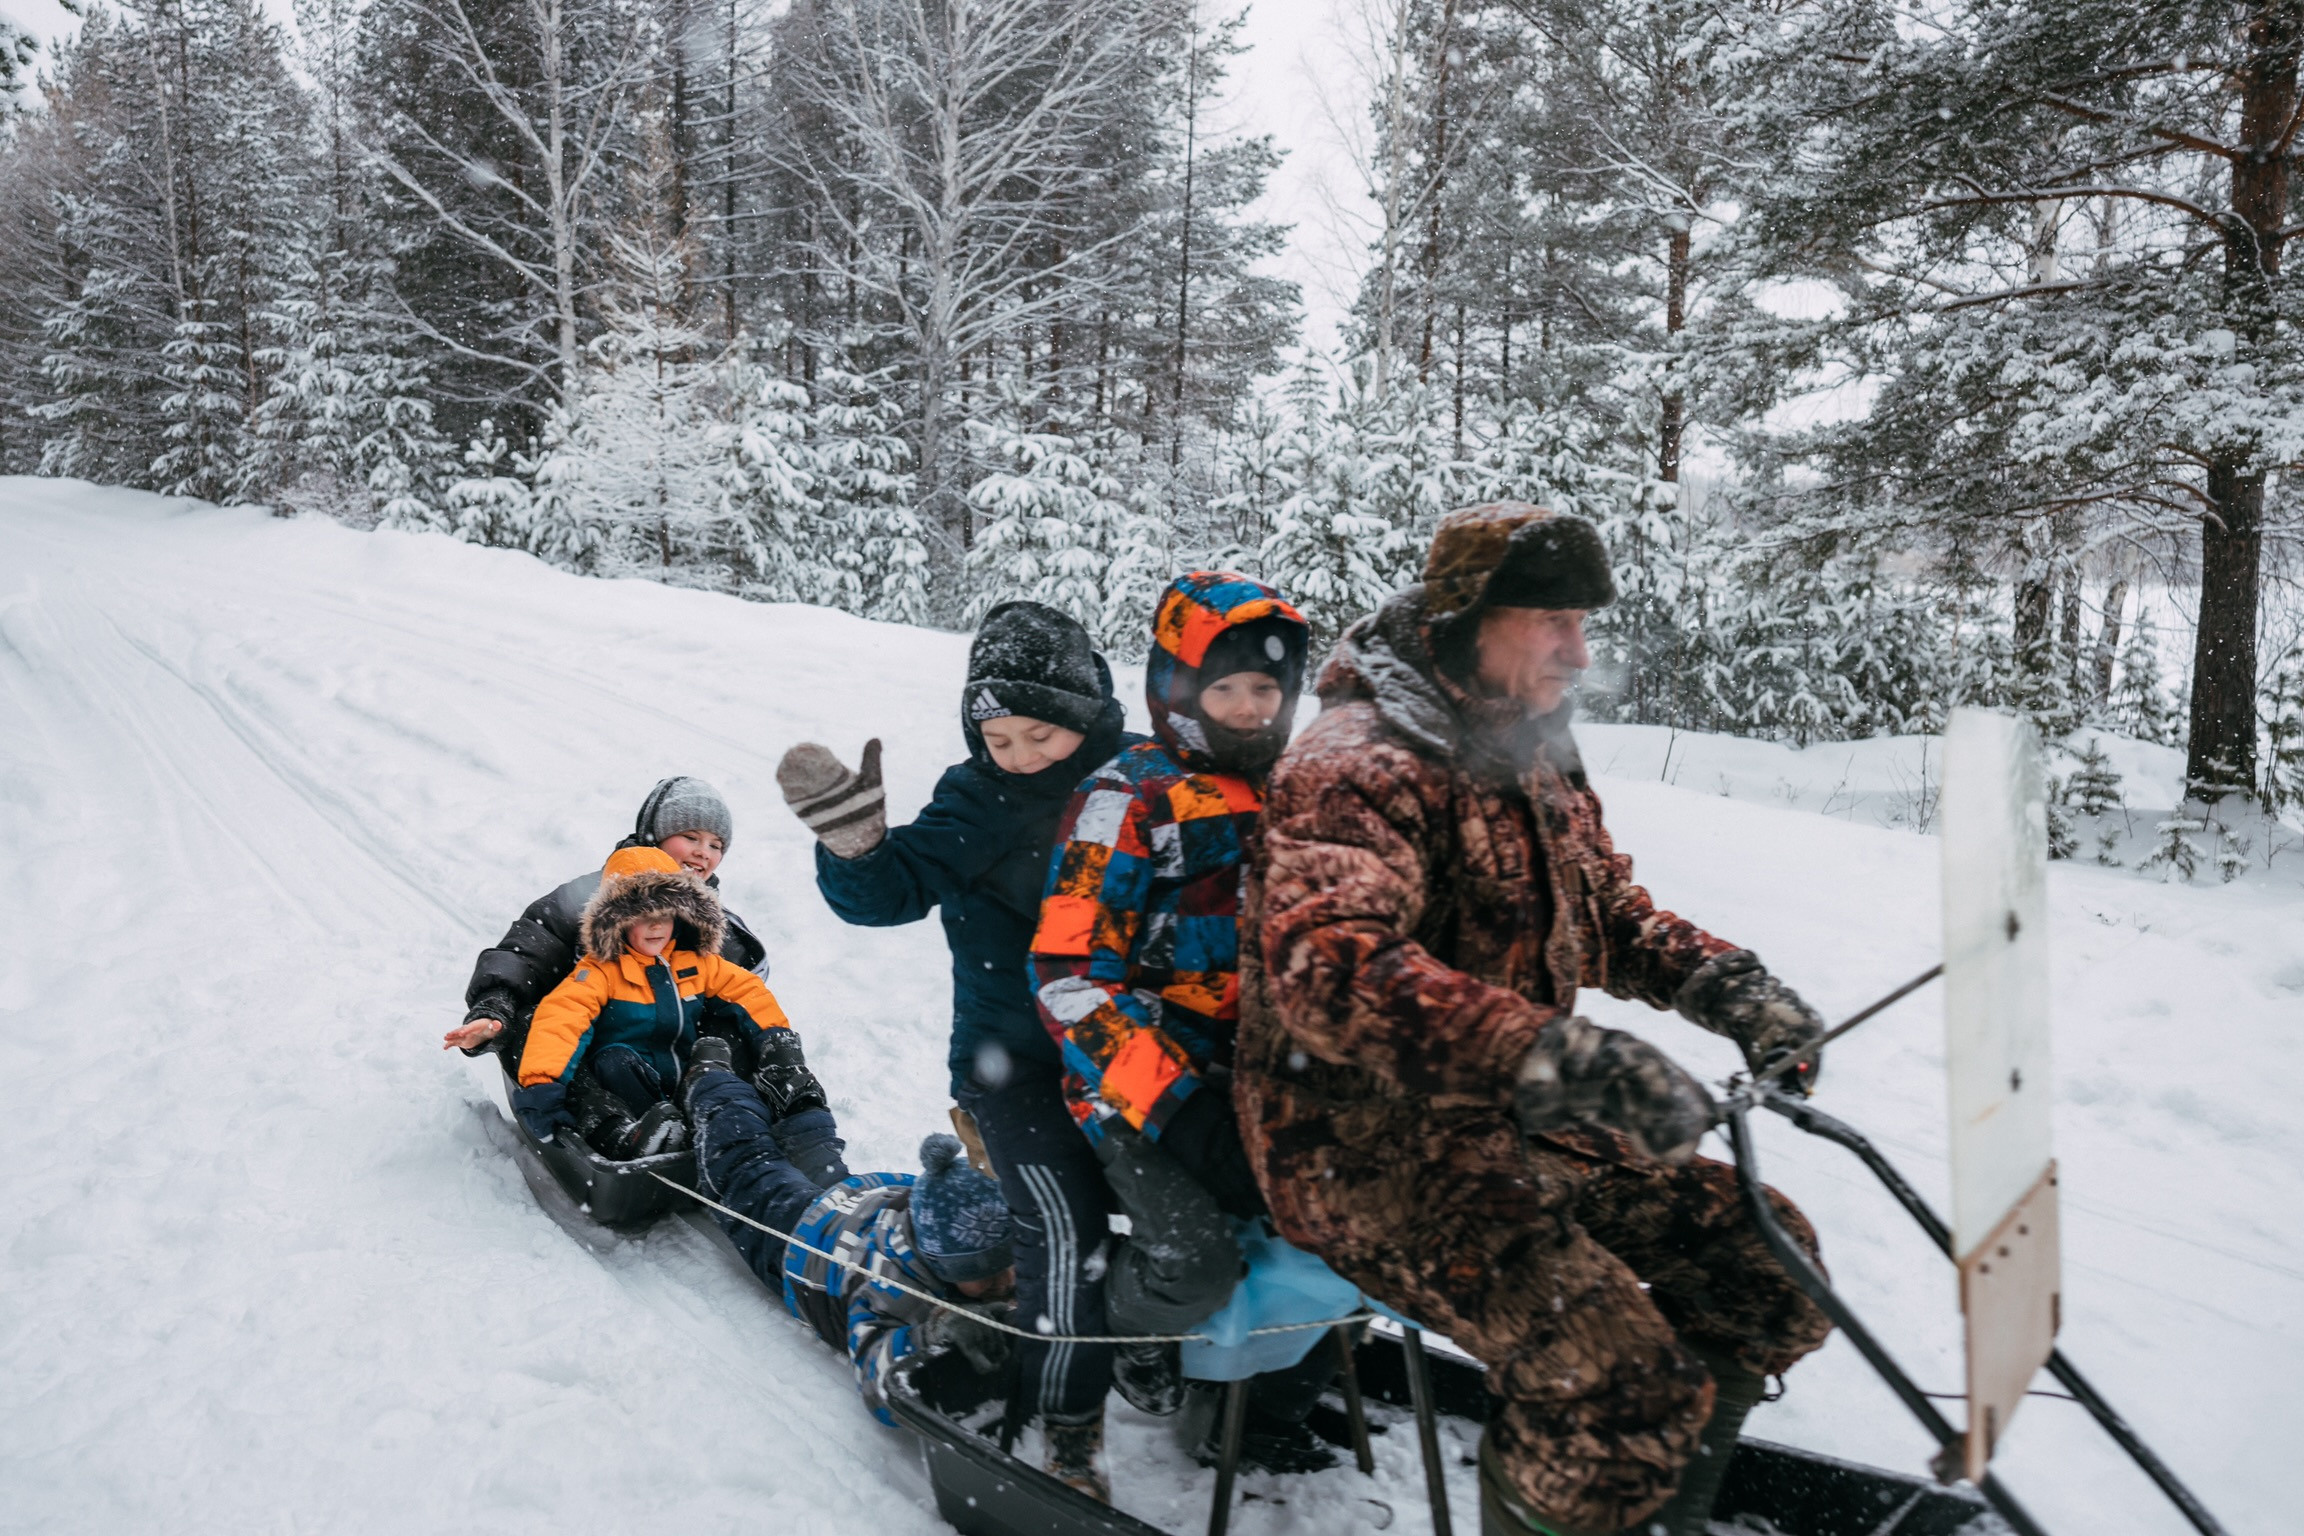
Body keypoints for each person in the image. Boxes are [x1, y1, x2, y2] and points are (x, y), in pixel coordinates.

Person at [1235, 503, 1835, 1536]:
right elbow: (1332, 969)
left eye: (1584, 622)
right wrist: (1559, 1058)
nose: (1579, 650)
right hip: (1368, 1154)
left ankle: (1646, 1505)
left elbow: (1604, 912)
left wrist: (1728, 986)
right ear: (1467, 617)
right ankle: (1602, 1456)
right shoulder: (1354, 761)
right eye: (1552, 620)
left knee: (1771, 1271)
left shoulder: (1533, 752)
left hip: (1517, 1124)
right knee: (1615, 1384)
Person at [775, 602, 1140, 1495]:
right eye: (998, 738)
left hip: (1132, 1053)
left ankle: (1152, 1344)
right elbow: (890, 892)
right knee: (1062, 1224)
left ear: (1088, 714)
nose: (1019, 756)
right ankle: (1068, 1426)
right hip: (1012, 1064)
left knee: (1183, 1213)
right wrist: (857, 848)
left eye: (1040, 735)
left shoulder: (1138, 783)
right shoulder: (980, 797)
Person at [1030, 572, 1339, 1479]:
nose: (1248, 708)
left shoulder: (1304, 790)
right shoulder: (1126, 797)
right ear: (1175, 686)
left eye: (1266, 688)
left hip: (1274, 1077)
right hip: (1137, 1088)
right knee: (1194, 1263)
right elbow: (1069, 978)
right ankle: (1139, 1330)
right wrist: (1186, 1115)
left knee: (1359, 1220)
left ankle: (1269, 1399)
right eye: (1223, 686)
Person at [677, 1031, 1016, 1427]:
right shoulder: (888, 1283)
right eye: (986, 1275)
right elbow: (880, 1383)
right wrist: (934, 1333)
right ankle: (714, 1082)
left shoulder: (948, 1222)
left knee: (817, 1155)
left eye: (1009, 1263)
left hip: (865, 1202)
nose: (1006, 1281)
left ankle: (790, 1084)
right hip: (803, 1237)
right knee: (747, 1165)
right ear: (938, 1262)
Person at [513, 845, 847, 1186]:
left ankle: (733, 1122)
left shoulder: (697, 964)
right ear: (617, 919)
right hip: (629, 1085)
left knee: (717, 1050)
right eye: (643, 914)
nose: (656, 925)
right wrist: (542, 1082)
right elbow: (562, 1018)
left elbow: (750, 993)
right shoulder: (600, 972)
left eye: (666, 913)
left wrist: (777, 1044)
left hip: (683, 1079)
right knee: (615, 1059)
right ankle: (635, 1134)